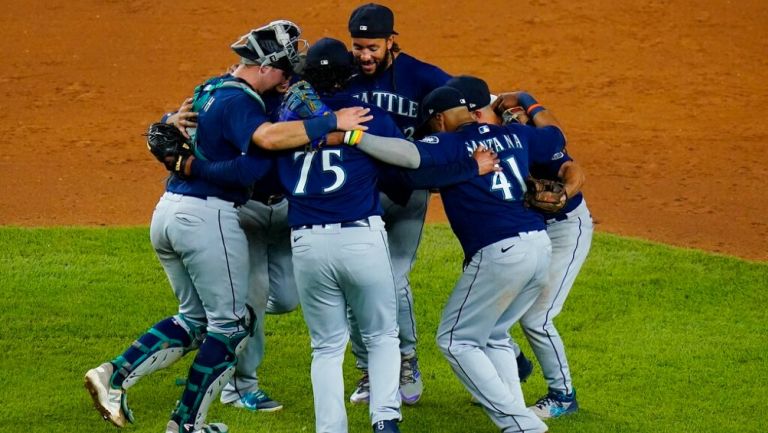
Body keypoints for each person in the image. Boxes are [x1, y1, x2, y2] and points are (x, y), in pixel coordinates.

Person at [83, 21, 371, 433]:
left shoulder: (209, 88)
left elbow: (168, 128)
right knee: (232, 325)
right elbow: (262, 148)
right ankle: (184, 423)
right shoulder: (243, 104)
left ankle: (116, 377)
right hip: (207, 215)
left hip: (170, 211)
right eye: (285, 70)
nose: (290, 78)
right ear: (268, 66)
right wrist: (329, 124)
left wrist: (168, 128)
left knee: (196, 320)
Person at [330, 85, 572, 433]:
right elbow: (555, 135)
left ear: (439, 120)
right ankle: (517, 414)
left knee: (455, 340)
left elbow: (409, 161)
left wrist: (353, 137)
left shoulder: (448, 143)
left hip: (500, 252)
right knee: (494, 334)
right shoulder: (515, 134)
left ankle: (521, 425)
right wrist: (531, 103)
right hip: (538, 246)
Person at [343, 2, 453, 406]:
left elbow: (465, 104)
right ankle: (370, 370)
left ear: (392, 41)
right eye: (358, 46)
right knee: (355, 281)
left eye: (373, 47)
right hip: (358, 194)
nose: (365, 55)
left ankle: (406, 360)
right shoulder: (342, 71)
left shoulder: (421, 75)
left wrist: (440, 154)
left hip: (407, 192)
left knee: (393, 278)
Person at [487, 84, 593, 419]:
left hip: (564, 229)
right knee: (488, 313)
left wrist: (564, 192)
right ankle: (512, 368)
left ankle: (563, 395)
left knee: (537, 318)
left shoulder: (531, 138)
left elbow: (571, 169)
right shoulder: (483, 144)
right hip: (527, 234)